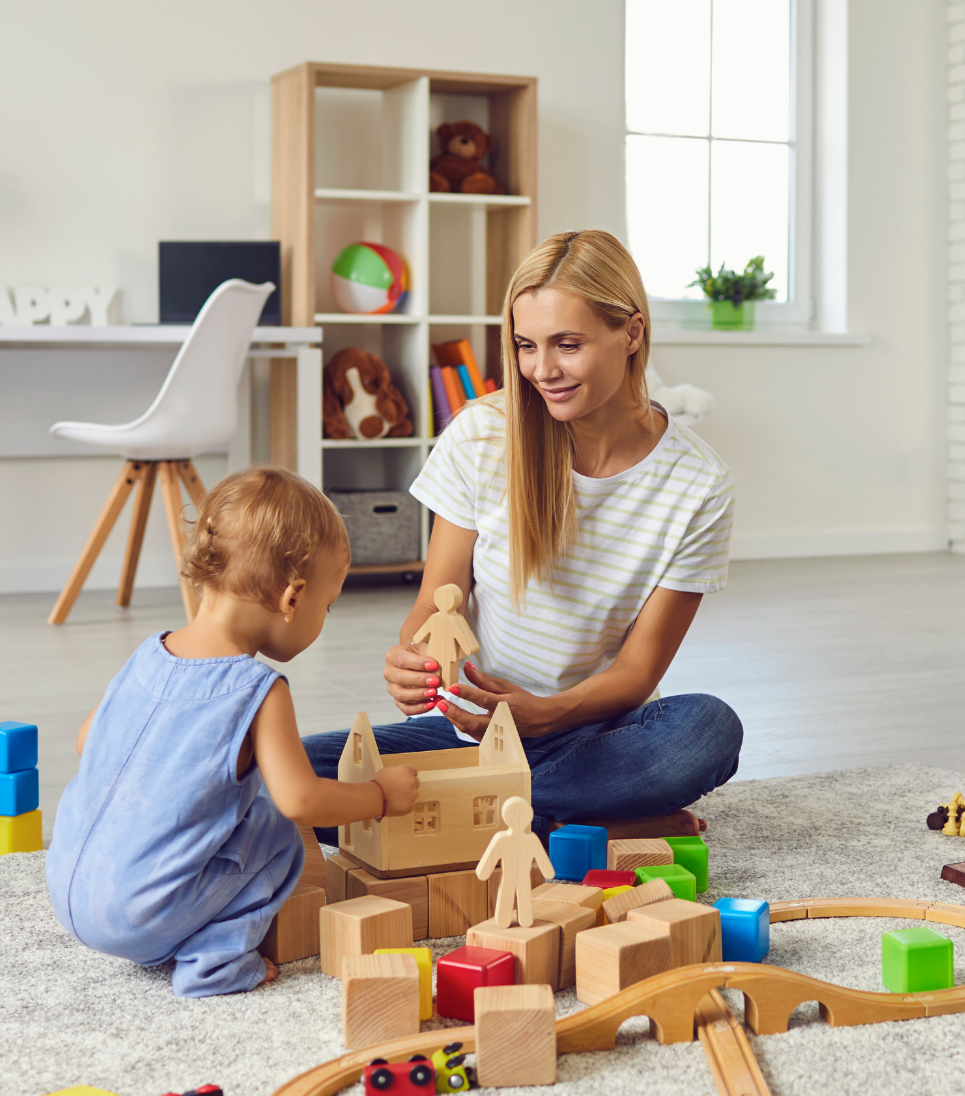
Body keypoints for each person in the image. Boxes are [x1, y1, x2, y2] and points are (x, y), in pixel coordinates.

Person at [304, 230, 742, 841]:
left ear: (632, 333)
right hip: (472, 730)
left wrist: (545, 715)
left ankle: (488, 811)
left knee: (708, 731)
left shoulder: (699, 484)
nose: (543, 370)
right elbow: (436, 603)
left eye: (568, 345)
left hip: (595, 735)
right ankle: (575, 819)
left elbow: (639, 670)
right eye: (526, 346)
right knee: (286, 774)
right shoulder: (482, 434)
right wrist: (416, 659)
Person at [47, 467, 421, 996]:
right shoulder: (258, 687)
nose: (324, 616)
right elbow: (302, 799)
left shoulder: (148, 653)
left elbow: (89, 742)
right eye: (327, 605)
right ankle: (215, 963)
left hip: (68, 889)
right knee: (277, 835)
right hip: (140, 917)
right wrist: (380, 796)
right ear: (292, 597)